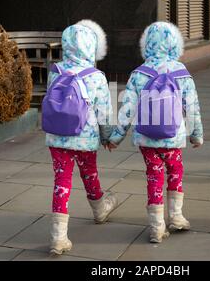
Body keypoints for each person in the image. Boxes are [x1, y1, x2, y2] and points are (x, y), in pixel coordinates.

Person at [107, 22, 204, 243]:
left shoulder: (139, 74)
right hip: (173, 137)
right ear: (174, 45)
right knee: (175, 171)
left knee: (154, 175)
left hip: (146, 139)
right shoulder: (181, 72)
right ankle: (177, 216)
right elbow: (193, 107)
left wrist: (115, 137)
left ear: (146, 45)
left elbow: (127, 110)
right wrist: (196, 134)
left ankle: (156, 226)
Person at [44, 20, 118, 255]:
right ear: (91, 48)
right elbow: (104, 112)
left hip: (57, 137)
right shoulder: (96, 76)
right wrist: (107, 137)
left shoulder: (55, 71)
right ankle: (99, 209)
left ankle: (58, 237)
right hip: (85, 139)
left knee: (61, 182)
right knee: (89, 173)